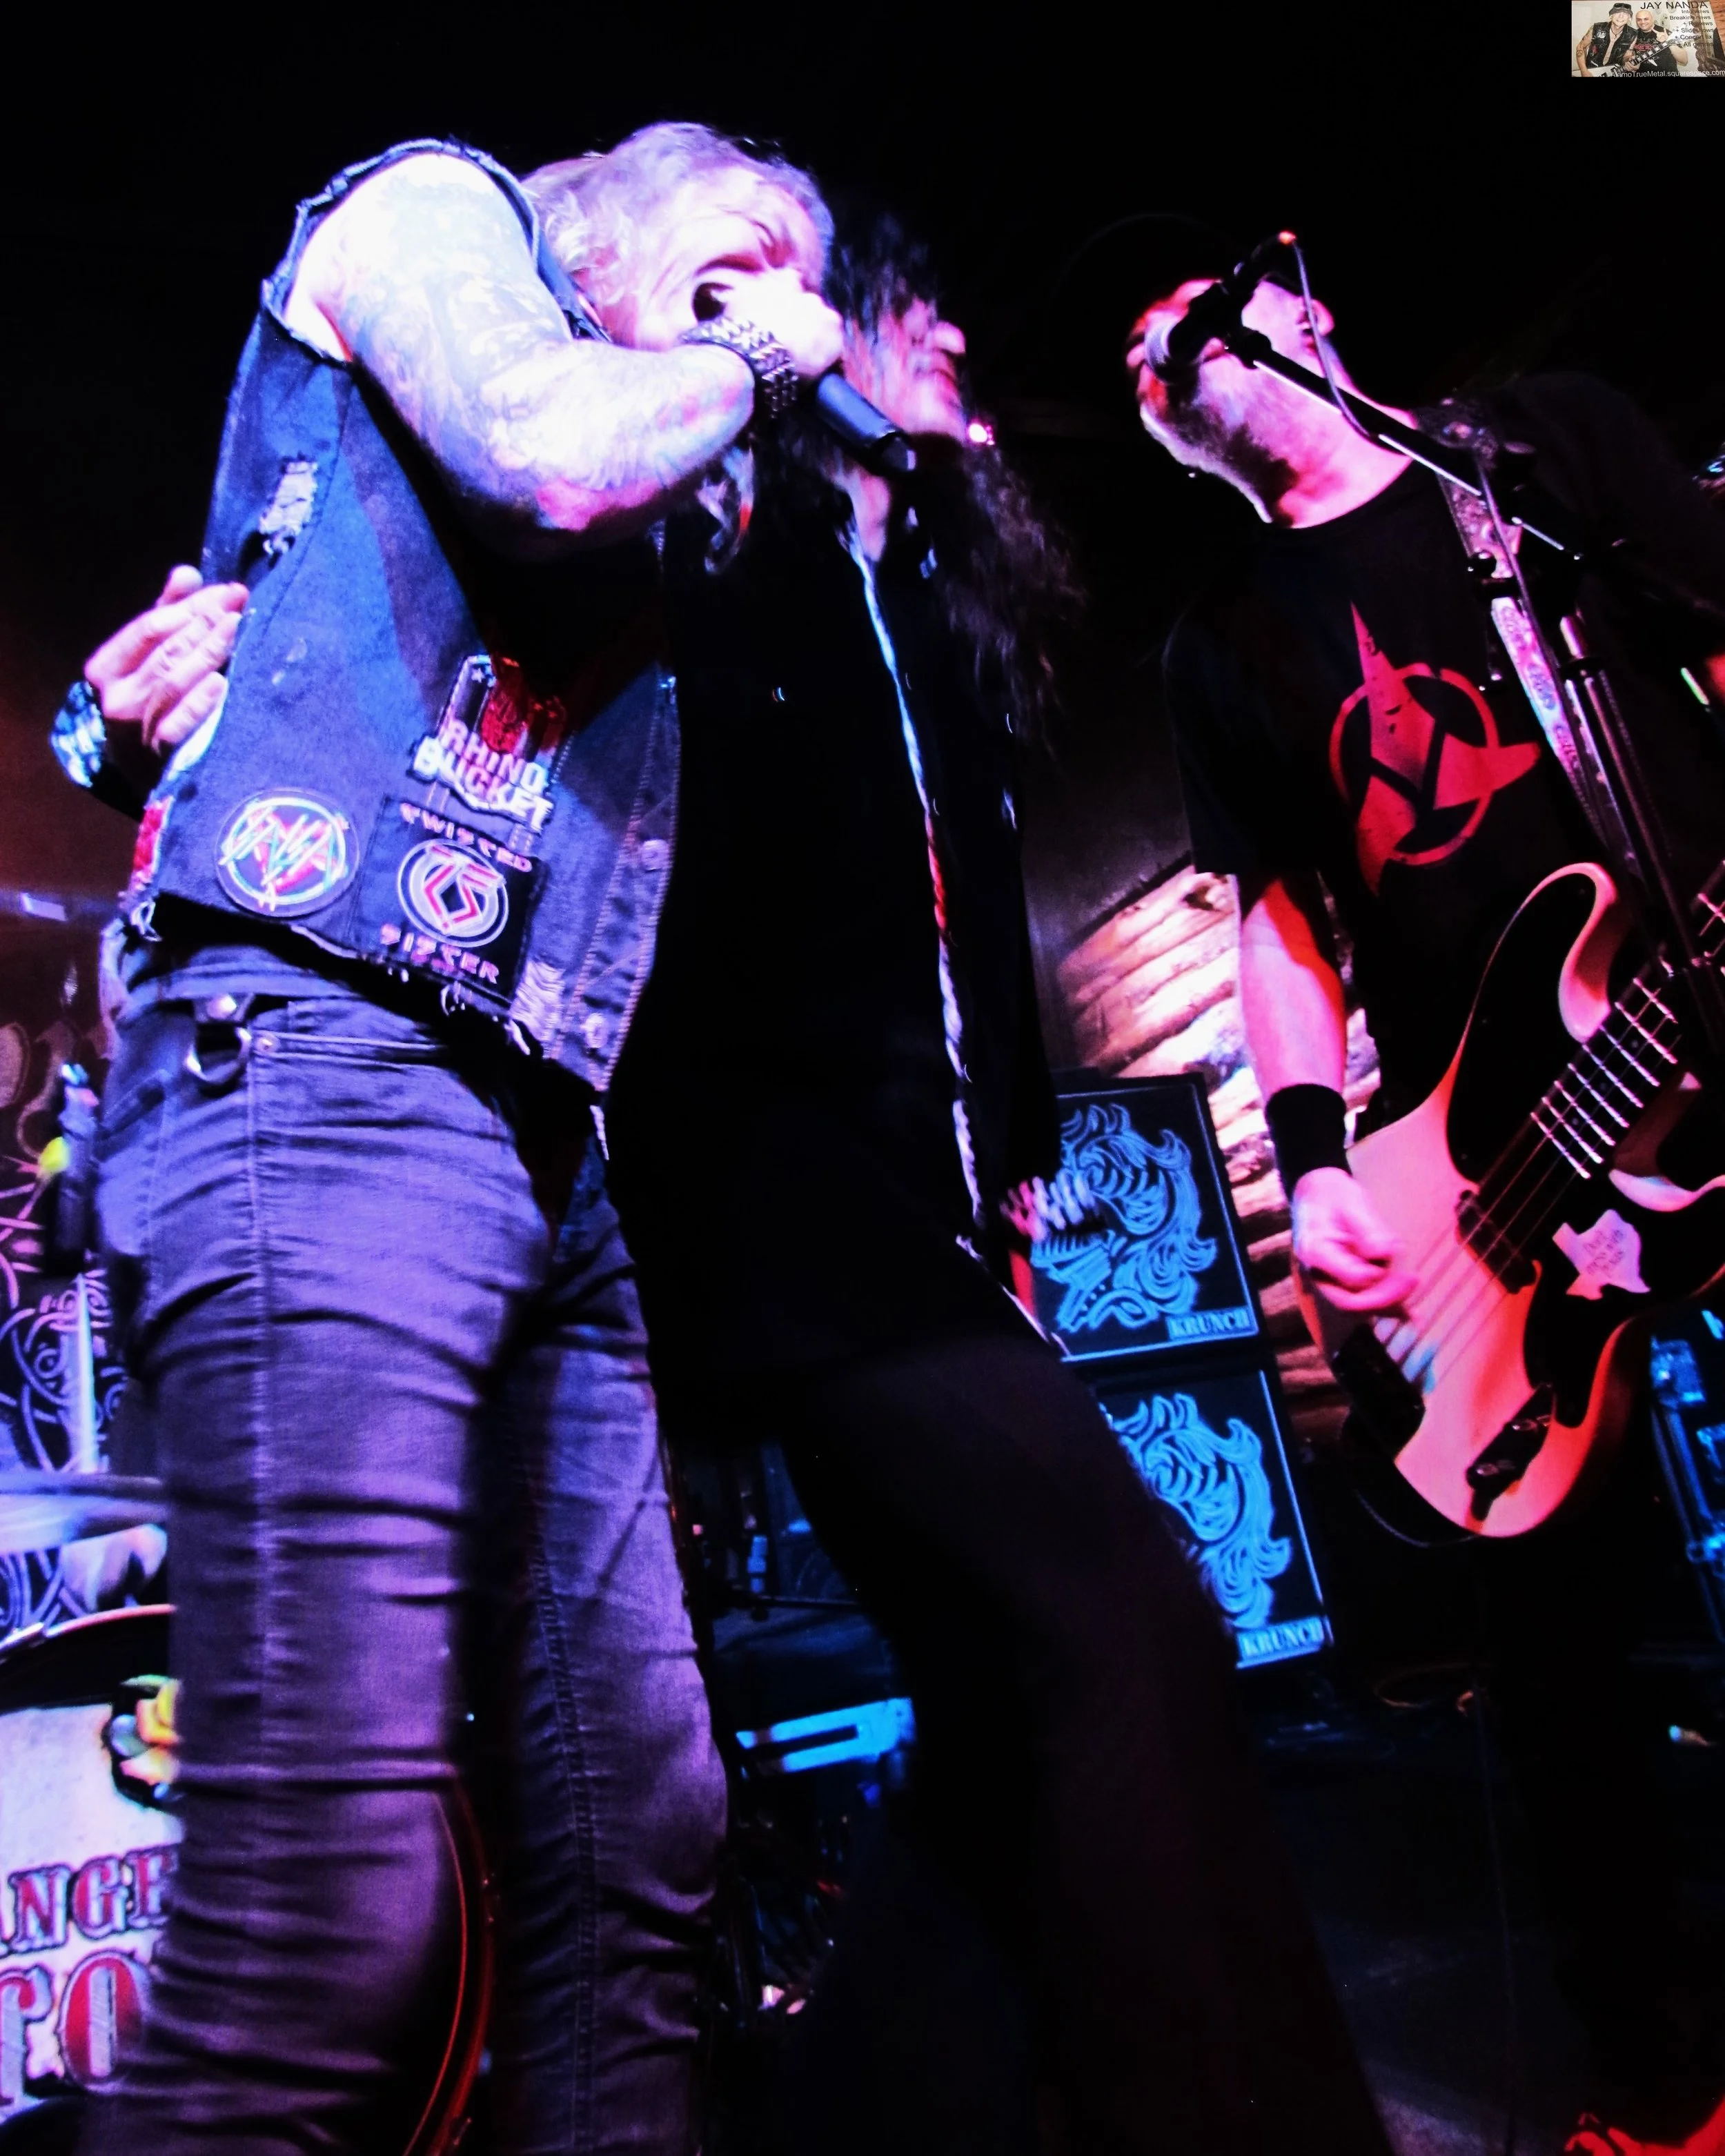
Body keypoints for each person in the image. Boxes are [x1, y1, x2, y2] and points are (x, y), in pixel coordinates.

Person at [59, 124, 843, 2156]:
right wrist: (769, 349)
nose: (782, 292)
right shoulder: (433, 210)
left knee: (637, 1828)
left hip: (540, 1144)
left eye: (801, 271)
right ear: (617, 211)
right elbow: (538, 445)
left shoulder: (679, 520)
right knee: (327, 1918)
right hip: (324, 1065)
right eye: (743, 247)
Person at [602, 214, 1397, 2156]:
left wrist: (1015, 1158)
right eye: (909, 307)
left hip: (923, 1225)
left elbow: (960, 941)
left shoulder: (927, 608)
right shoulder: (729, 561)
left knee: (998, 1702)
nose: (952, 333)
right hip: (783, 1216)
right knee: (1130, 1620)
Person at [1127, 222, 1725, 2156]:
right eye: (1132, 357)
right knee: (1555, 1662)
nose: (1152, 347)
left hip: (1693, 1012)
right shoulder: (1218, 644)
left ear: (1299, 306)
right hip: (1479, 1170)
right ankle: (1661, 2084)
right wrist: (1312, 1167)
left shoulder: (1537, 454)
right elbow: (1285, 925)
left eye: (1184, 307)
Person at [1577, 5, 1639, 72]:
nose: (1621, 16)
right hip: (1591, 70)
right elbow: (1580, 47)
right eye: (1617, 12)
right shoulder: (1597, 28)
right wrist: (1584, 71)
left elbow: (1627, 56)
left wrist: (1629, 61)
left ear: (1629, 18)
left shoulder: (1633, 34)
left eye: (1626, 14)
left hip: (1613, 72)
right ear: (1611, 16)